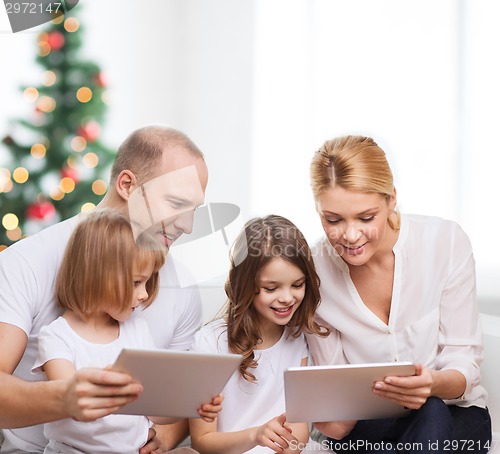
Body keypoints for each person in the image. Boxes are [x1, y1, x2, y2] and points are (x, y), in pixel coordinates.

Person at [0, 126, 210, 453]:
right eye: (176, 203)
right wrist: (65, 398)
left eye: (194, 209)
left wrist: (164, 438)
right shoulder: (26, 263)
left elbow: (173, 398)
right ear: (128, 185)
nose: (188, 226)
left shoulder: (182, 288)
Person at [306, 135, 492, 453]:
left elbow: (464, 360)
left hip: (454, 413)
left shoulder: (444, 243)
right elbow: (335, 395)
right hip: (370, 423)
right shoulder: (314, 272)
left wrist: (432, 384)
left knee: (431, 410)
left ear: (392, 199)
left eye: (366, 218)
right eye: (332, 220)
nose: (350, 236)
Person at [32, 209, 220, 454]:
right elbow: (73, 406)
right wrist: (117, 390)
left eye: (147, 281)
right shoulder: (57, 337)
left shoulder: (137, 331)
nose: (143, 294)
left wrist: (190, 406)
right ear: (97, 275)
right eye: (136, 282)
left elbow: (155, 412)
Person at [189, 215, 330, 454]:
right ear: (245, 284)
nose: (287, 298)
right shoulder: (210, 343)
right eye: (271, 288)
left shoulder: (298, 338)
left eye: (297, 285)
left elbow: (299, 430)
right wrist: (256, 435)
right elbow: (202, 440)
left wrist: (289, 447)